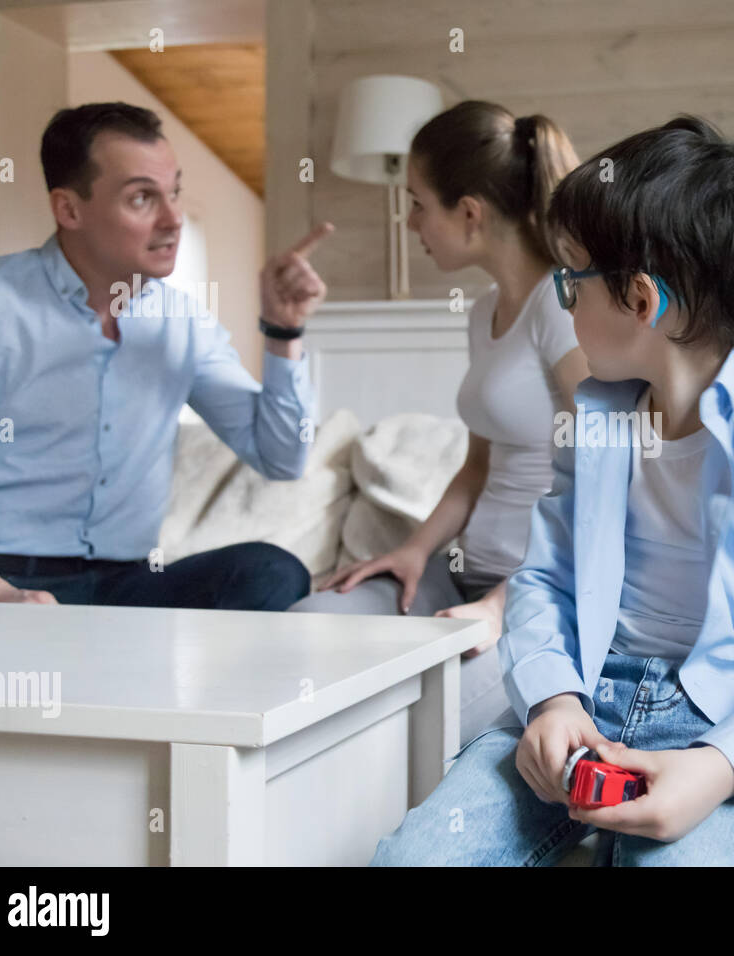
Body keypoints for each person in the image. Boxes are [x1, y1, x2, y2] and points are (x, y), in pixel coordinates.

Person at [370, 115, 734, 867]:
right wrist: (553, 699)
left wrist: (720, 766)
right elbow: (543, 579)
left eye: (572, 281)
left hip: (727, 729)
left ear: (641, 302)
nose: (564, 303)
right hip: (588, 702)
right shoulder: (594, 418)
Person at [291, 102, 590, 744]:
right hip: (460, 573)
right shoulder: (483, 312)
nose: (411, 221)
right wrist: (412, 551)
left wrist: (501, 608)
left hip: (535, 597)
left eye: (419, 203)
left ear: (470, 213)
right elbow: (478, 467)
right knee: (303, 628)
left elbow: (606, 474)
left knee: (417, 726)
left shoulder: (561, 308)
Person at [0, 101, 330, 611]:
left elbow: (282, 458)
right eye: (142, 198)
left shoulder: (183, 323)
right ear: (68, 209)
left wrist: (283, 329)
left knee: (269, 570)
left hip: (126, 586)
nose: (173, 219)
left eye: (174, 193)